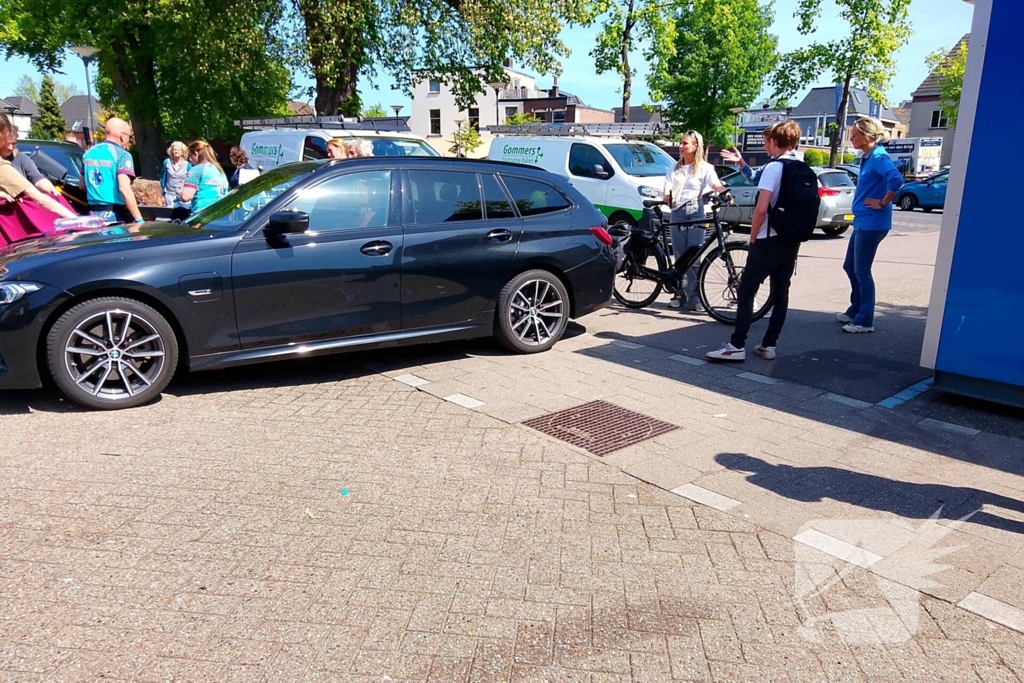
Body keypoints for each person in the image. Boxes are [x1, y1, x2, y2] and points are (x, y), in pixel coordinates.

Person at [706, 120, 807, 362]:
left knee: (747, 289)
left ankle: (736, 345)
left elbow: (761, 209)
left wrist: (752, 236)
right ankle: (769, 345)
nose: (765, 146)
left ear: (774, 141)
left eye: (767, 142)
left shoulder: (774, 168)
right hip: (791, 239)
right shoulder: (802, 166)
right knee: (780, 292)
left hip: (768, 238)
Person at [840, 117, 903, 334]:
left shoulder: (878, 156)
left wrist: (883, 202)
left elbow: (896, 179)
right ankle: (856, 310)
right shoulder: (868, 157)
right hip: (862, 221)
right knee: (850, 266)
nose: (851, 138)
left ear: (867, 136)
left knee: (862, 271)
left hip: (872, 223)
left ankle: (865, 320)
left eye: (854, 135)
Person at [663, 130, 728, 312]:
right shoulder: (674, 167)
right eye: (681, 142)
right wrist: (666, 195)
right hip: (677, 212)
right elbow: (667, 186)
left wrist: (725, 193)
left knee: (694, 256)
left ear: (695, 146)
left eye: (685, 143)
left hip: (696, 212)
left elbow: (715, 184)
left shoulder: (705, 168)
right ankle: (679, 294)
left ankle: (695, 298)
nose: (681, 146)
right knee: (679, 257)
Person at [80, 117, 144, 224]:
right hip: (114, 215)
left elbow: (82, 185)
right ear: (122, 136)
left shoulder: (89, 153)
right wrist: (139, 219)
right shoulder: (122, 155)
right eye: (129, 137)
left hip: (93, 213)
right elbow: (124, 189)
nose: (129, 141)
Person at [1, 126, 60, 195]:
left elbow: (38, 178)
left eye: (13, 143)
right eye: (8, 143)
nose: (10, 148)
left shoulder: (21, 159)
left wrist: (51, 189)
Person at [178, 140, 229, 213]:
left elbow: (186, 197)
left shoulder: (197, 169)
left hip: (202, 214)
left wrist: (179, 196)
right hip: (220, 214)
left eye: (190, 156)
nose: (190, 160)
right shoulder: (221, 172)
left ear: (196, 153)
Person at [160, 141, 191, 207]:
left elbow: (191, 180)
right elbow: (163, 178)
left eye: (178, 150)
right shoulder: (166, 162)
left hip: (182, 195)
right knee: (169, 211)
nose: (176, 151)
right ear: (171, 151)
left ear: (182, 152)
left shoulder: (187, 165)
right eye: (174, 150)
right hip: (169, 194)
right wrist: (162, 194)